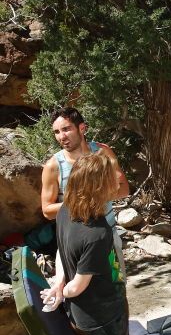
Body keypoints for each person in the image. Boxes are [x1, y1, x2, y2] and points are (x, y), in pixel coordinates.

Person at [40, 151, 128, 335]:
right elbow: (78, 286)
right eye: (113, 176)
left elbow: (61, 251)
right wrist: (63, 291)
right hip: (101, 312)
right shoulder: (98, 233)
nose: (119, 179)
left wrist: (58, 283)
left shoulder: (66, 211)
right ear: (100, 185)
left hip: (84, 310)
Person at [40, 107, 129, 276]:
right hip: (73, 241)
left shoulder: (103, 152)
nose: (61, 136)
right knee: (79, 296)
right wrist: (82, 201)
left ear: (82, 128)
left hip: (107, 236)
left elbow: (123, 188)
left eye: (66, 129)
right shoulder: (53, 166)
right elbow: (47, 211)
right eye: (57, 132)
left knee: (116, 289)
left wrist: (94, 197)